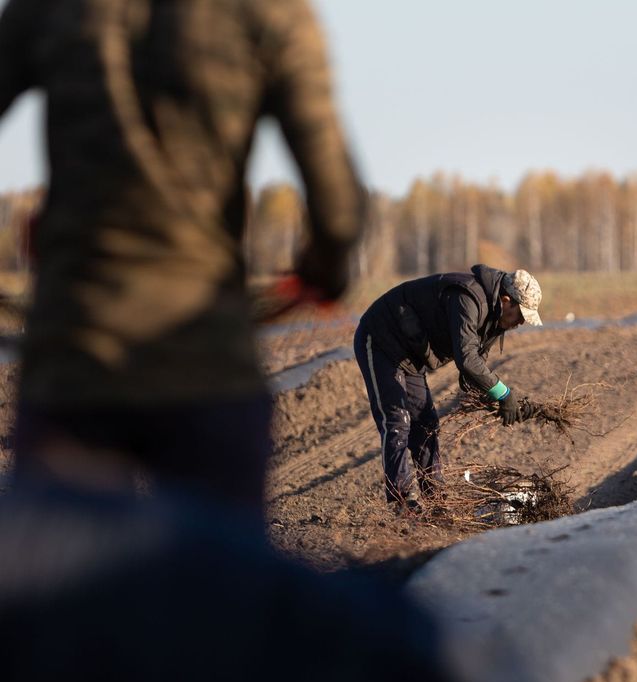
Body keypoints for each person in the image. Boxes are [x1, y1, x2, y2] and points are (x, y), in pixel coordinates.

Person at [0, 0, 365, 515]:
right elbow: (340, 213)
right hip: (208, 367)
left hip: (74, 364)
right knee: (215, 562)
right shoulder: (274, 12)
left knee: (66, 564)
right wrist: (324, 275)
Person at [354, 265, 542, 507]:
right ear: (506, 301)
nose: (521, 323)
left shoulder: (496, 320)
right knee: (397, 421)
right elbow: (467, 360)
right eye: (521, 316)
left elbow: (472, 374)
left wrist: (498, 401)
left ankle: (436, 500)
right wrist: (504, 394)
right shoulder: (468, 298)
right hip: (381, 338)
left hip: (411, 355)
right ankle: (401, 501)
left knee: (426, 424)